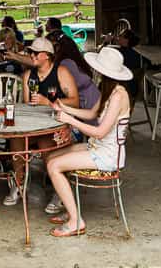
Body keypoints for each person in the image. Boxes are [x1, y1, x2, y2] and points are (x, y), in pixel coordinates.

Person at [45, 46, 132, 238]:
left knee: (53, 165)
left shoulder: (119, 95)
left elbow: (100, 132)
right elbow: (92, 113)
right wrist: (64, 108)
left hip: (107, 154)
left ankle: (76, 221)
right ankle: (70, 208)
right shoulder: (109, 90)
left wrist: (71, 120)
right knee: (51, 156)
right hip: (97, 147)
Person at [3, 37, 79, 206]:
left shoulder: (61, 72)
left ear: (47, 55)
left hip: (57, 125)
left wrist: (49, 102)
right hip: (34, 125)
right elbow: (26, 105)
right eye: (30, 52)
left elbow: (75, 101)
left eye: (36, 53)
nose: (32, 55)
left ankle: (59, 191)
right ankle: (19, 183)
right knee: (16, 139)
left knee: (46, 143)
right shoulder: (28, 75)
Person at [44, 31, 102, 214]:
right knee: (54, 152)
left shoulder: (65, 64)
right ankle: (59, 188)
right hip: (90, 102)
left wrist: (68, 116)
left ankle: (62, 195)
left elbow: (98, 131)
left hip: (88, 111)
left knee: (58, 147)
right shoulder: (73, 59)